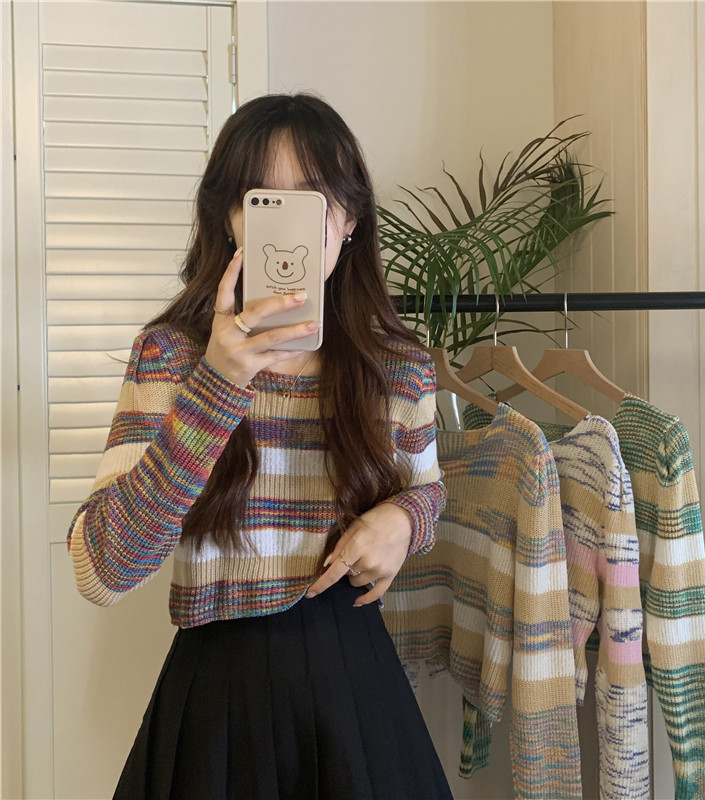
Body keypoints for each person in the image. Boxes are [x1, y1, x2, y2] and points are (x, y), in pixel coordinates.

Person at [67, 93, 452, 800]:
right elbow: (101, 570)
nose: (289, 227)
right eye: (264, 201)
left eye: (312, 200)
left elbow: (427, 489)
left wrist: (406, 520)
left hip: (355, 685)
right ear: (230, 217)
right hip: (219, 693)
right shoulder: (170, 358)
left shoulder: (397, 367)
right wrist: (218, 385)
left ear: (350, 218)